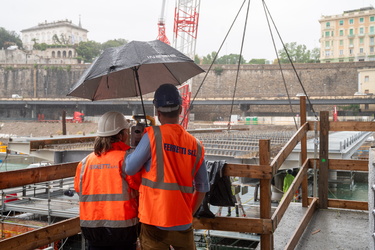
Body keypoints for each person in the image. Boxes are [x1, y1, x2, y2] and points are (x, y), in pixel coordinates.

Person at [125, 83, 209, 250]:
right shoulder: (196, 145)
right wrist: (188, 213)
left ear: (157, 111)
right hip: (183, 223)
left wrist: (134, 147)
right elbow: (203, 187)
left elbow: (129, 168)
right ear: (180, 110)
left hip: (154, 221)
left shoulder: (153, 136)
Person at [74, 111, 141, 250]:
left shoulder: (84, 163)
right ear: (121, 135)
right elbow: (140, 186)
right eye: (126, 132)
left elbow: (79, 189)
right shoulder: (127, 159)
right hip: (123, 231)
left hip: (93, 231)